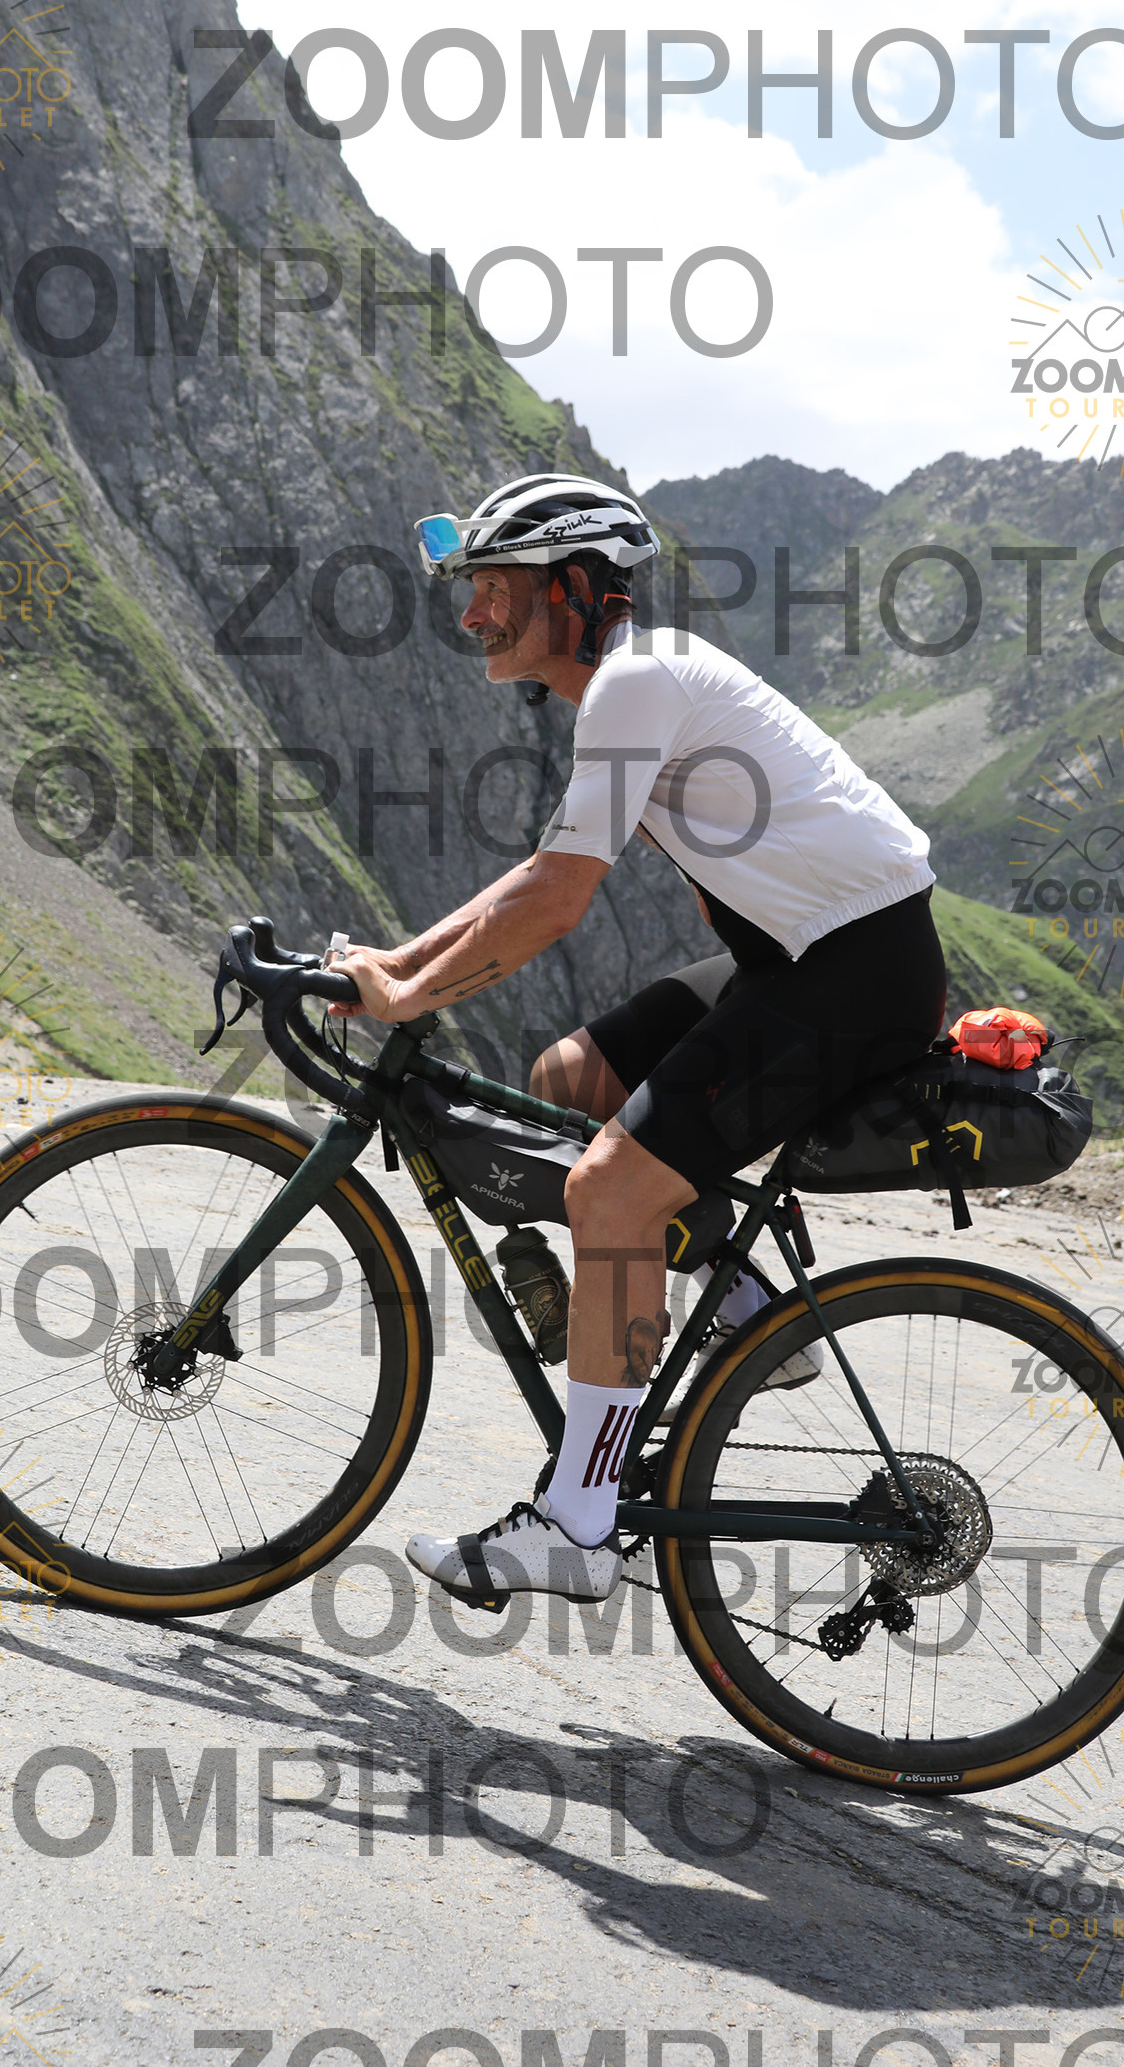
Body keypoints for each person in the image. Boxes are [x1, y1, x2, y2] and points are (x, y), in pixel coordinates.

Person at [324, 475, 946, 1605]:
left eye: (496, 587)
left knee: (607, 1194)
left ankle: (578, 1522)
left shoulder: (637, 681)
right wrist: (398, 965)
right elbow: (536, 878)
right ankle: (747, 1312)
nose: (472, 614)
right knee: (571, 1079)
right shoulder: (633, 682)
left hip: (853, 975)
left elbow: (556, 900)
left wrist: (405, 996)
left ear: (572, 589)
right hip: (805, 962)